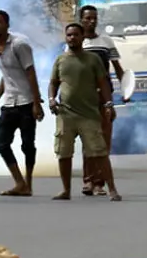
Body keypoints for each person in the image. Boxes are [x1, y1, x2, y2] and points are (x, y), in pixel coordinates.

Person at [48, 23, 120, 202]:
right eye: (69, 35)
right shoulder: (60, 60)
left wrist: (109, 104)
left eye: (75, 35)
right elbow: (53, 83)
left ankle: (111, 189)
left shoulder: (93, 59)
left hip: (89, 114)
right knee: (64, 154)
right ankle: (66, 190)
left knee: (99, 153)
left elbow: (103, 83)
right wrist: (51, 99)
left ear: (82, 37)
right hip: (66, 115)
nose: (72, 38)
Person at [0, 10, 44, 197]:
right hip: (9, 102)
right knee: (2, 144)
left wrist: (37, 103)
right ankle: (19, 182)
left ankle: (28, 183)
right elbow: (6, 76)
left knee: (28, 145)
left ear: (7, 25)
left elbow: (31, 73)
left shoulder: (19, 45)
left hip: (26, 102)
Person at [78, 5, 127, 196]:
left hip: (104, 97)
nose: (92, 21)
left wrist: (125, 88)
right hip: (84, 99)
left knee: (103, 141)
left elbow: (117, 67)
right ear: (81, 20)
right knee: (87, 141)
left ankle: (100, 182)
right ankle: (88, 181)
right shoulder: (76, 42)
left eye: (94, 18)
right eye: (88, 18)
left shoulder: (106, 42)